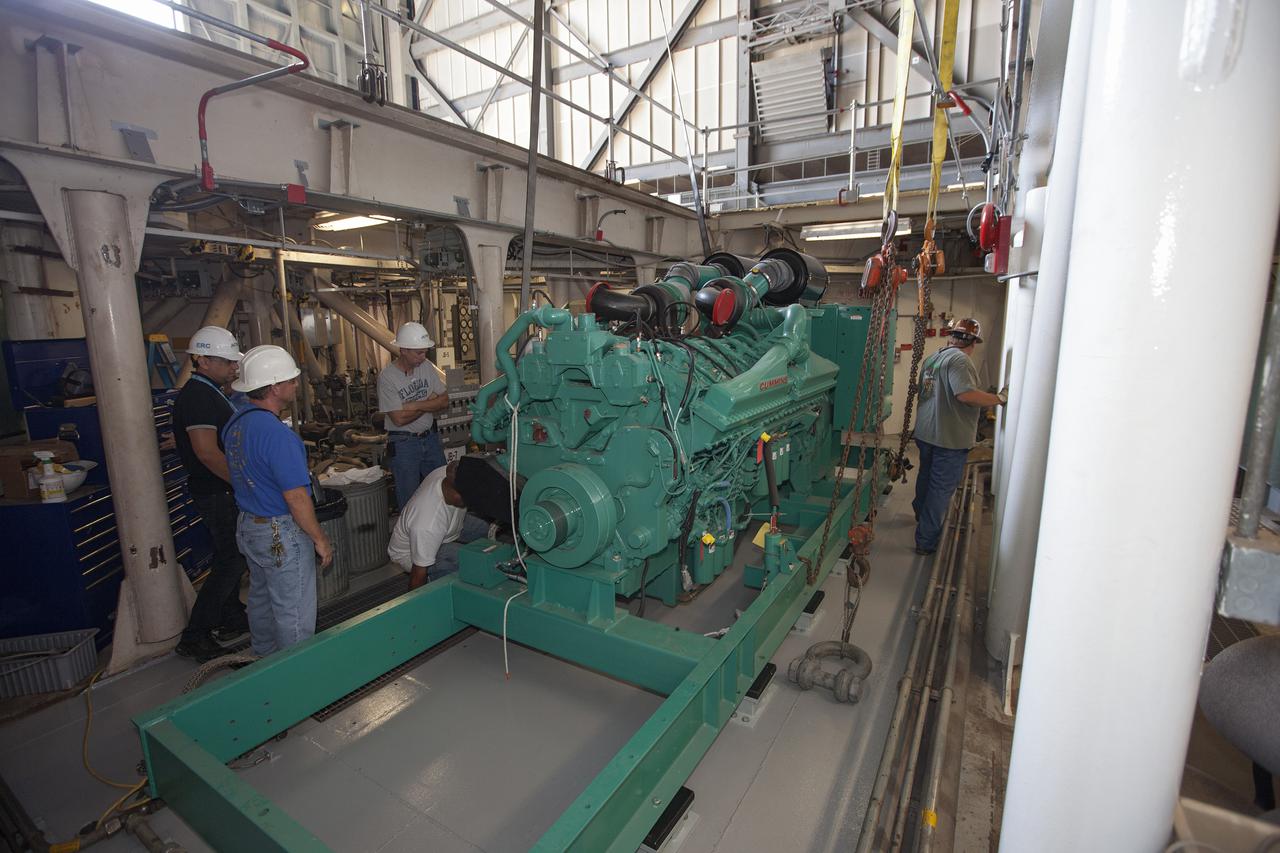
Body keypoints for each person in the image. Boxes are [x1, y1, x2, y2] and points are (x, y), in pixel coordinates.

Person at [221, 345, 333, 657]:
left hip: (249, 527)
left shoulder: (236, 423)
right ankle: (294, 682)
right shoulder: (278, 435)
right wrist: (319, 539)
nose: (297, 386)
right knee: (293, 612)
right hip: (279, 533)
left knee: (262, 602)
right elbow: (297, 498)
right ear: (274, 387)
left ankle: (264, 663)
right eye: (292, 381)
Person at [173, 327, 249, 662]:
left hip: (219, 488)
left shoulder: (208, 391)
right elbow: (206, 452)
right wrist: (243, 484)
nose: (234, 367)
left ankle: (230, 616)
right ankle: (196, 634)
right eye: (227, 361)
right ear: (201, 360)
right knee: (232, 559)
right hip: (217, 491)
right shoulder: (199, 396)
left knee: (230, 556)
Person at [912, 318, 1007, 555]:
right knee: (940, 489)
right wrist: (999, 399)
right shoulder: (960, 360)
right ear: (973, 342)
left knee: (925, 478)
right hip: (949, 438)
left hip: (926, 433)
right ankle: (926, 541)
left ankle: (920, 516)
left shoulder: (933, 358)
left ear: (951, 336)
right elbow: (965, 395)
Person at [387, 456, 494, 590]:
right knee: (468, 560)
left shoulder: (447, 473)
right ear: (454, 491)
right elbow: (418, 573)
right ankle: (434, 579)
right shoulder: (427, 524)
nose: (472, 499)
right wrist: (415, 605)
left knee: (488, 528)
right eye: (468, 496)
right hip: (411, 552)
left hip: (449, 525)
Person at [379, 322, 449, 511]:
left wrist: (415, 405)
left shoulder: (426, 366)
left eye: (425, 352)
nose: (423, 356)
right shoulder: (387, 378)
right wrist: (429, 403)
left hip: (430, 439)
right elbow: (398, 419)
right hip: (404, 444)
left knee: (444, 488)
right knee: (409, 499)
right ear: (403, 350)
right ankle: (409, 539)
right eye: (418, 353)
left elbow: (443, 400)